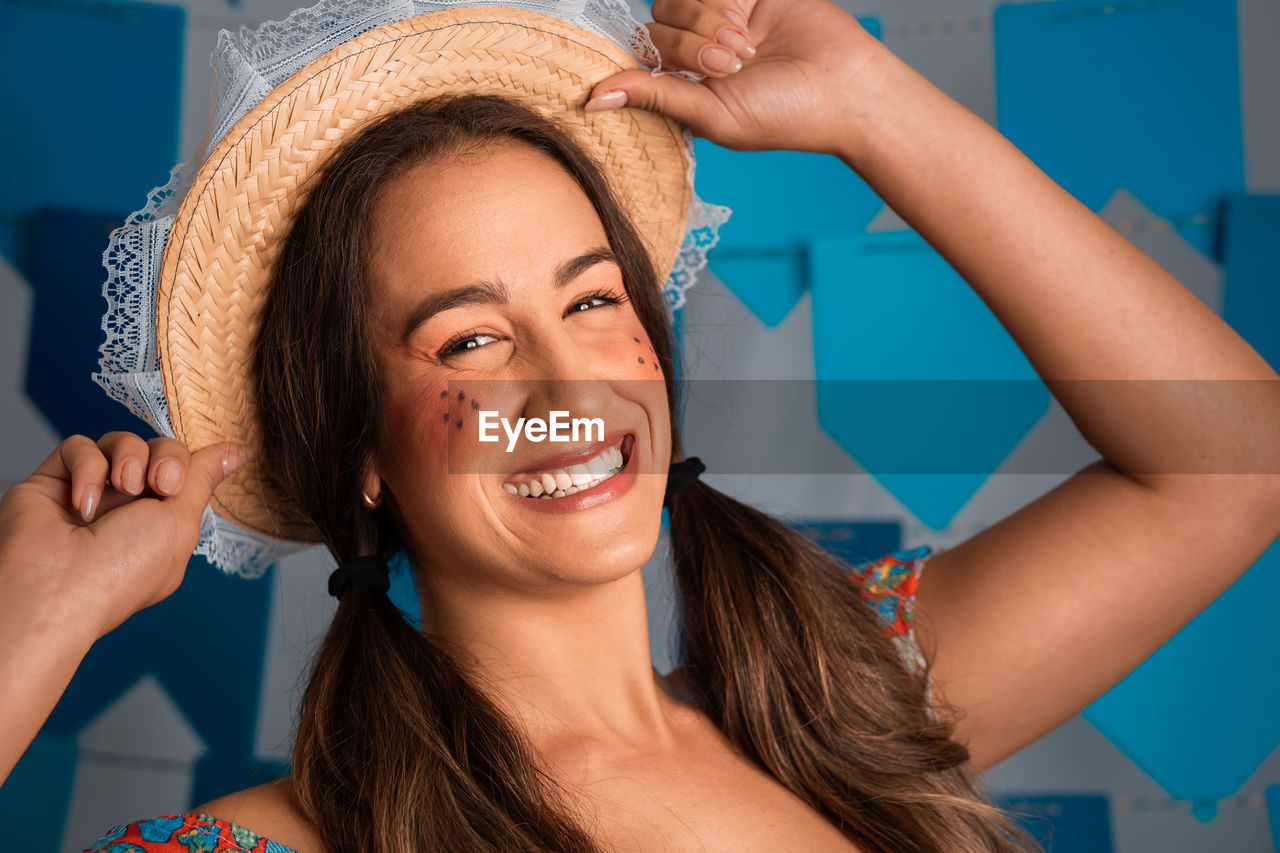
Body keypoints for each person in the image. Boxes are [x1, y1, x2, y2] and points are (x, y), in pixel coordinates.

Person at [0, 0, 1277, 849]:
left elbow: (1229, 461)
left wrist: (870, 106)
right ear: (362, 454)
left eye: (592, 299)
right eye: (470, 341)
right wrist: (35, 622)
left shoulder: (834, 699)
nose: (570, 395)